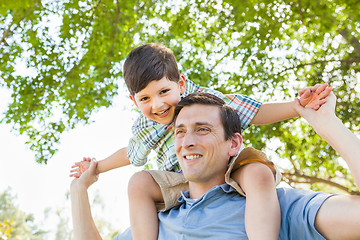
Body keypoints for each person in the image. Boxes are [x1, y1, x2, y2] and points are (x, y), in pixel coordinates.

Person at [70, 43, 332, 240]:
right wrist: (97, 167)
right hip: (181, 179)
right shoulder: (144, 126)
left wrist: (296, 107)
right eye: (146, 99)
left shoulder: (206, 101)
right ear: (134, 101)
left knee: (258, 173)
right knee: (138, 182)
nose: (158, 104)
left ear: (180, 83)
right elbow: (130, 153)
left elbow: (254, 111)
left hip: (228, 166)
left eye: (164, 92)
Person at [71, 91, 360, 240]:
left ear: (234, 144)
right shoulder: (156, 224)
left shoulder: (275, 206)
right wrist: (79, 189)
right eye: (180, 132)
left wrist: (329, 125)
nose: (187, 141)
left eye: (203, 129)